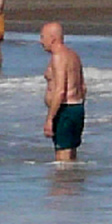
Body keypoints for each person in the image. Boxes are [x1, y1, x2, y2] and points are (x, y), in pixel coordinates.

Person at [40, 23, 86, 163]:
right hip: (77, 108)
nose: (40, 41)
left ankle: (62, 184)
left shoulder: (59, 57)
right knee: (71, 154)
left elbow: (60, 90)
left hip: (65, 109)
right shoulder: (73, 55)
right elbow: (83, 87)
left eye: (43, 37)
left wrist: (50, 119)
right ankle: (73, 183)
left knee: (62, 159)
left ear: (53, 38)